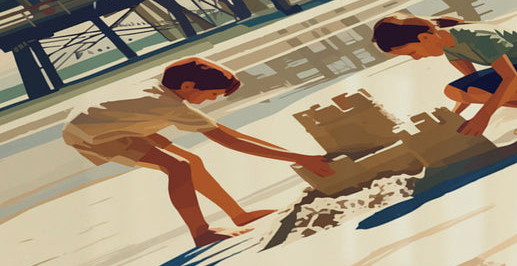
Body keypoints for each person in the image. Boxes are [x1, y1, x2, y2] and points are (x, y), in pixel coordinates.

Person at [62, 57, 334, 246]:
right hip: (92, 135)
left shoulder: (161, 93)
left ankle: (239, 215)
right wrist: (299, 158)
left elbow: (230, 132)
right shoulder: (168, 105)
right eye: (212, 94)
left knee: (191, 159)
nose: (210, 100)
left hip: (109, 119)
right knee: (177, 166)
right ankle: (201, 233)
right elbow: (230, 142)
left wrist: (298, 156)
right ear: (188, 87)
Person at [371, 15, 517, 136]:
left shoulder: (476, 38)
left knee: (485, 92)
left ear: (425, 38)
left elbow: (512, 80)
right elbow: (469, 88)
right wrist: (452, 119)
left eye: (413, 52)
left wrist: (482, 117)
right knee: (456, 91)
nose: (417, 58)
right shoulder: (448, 45)